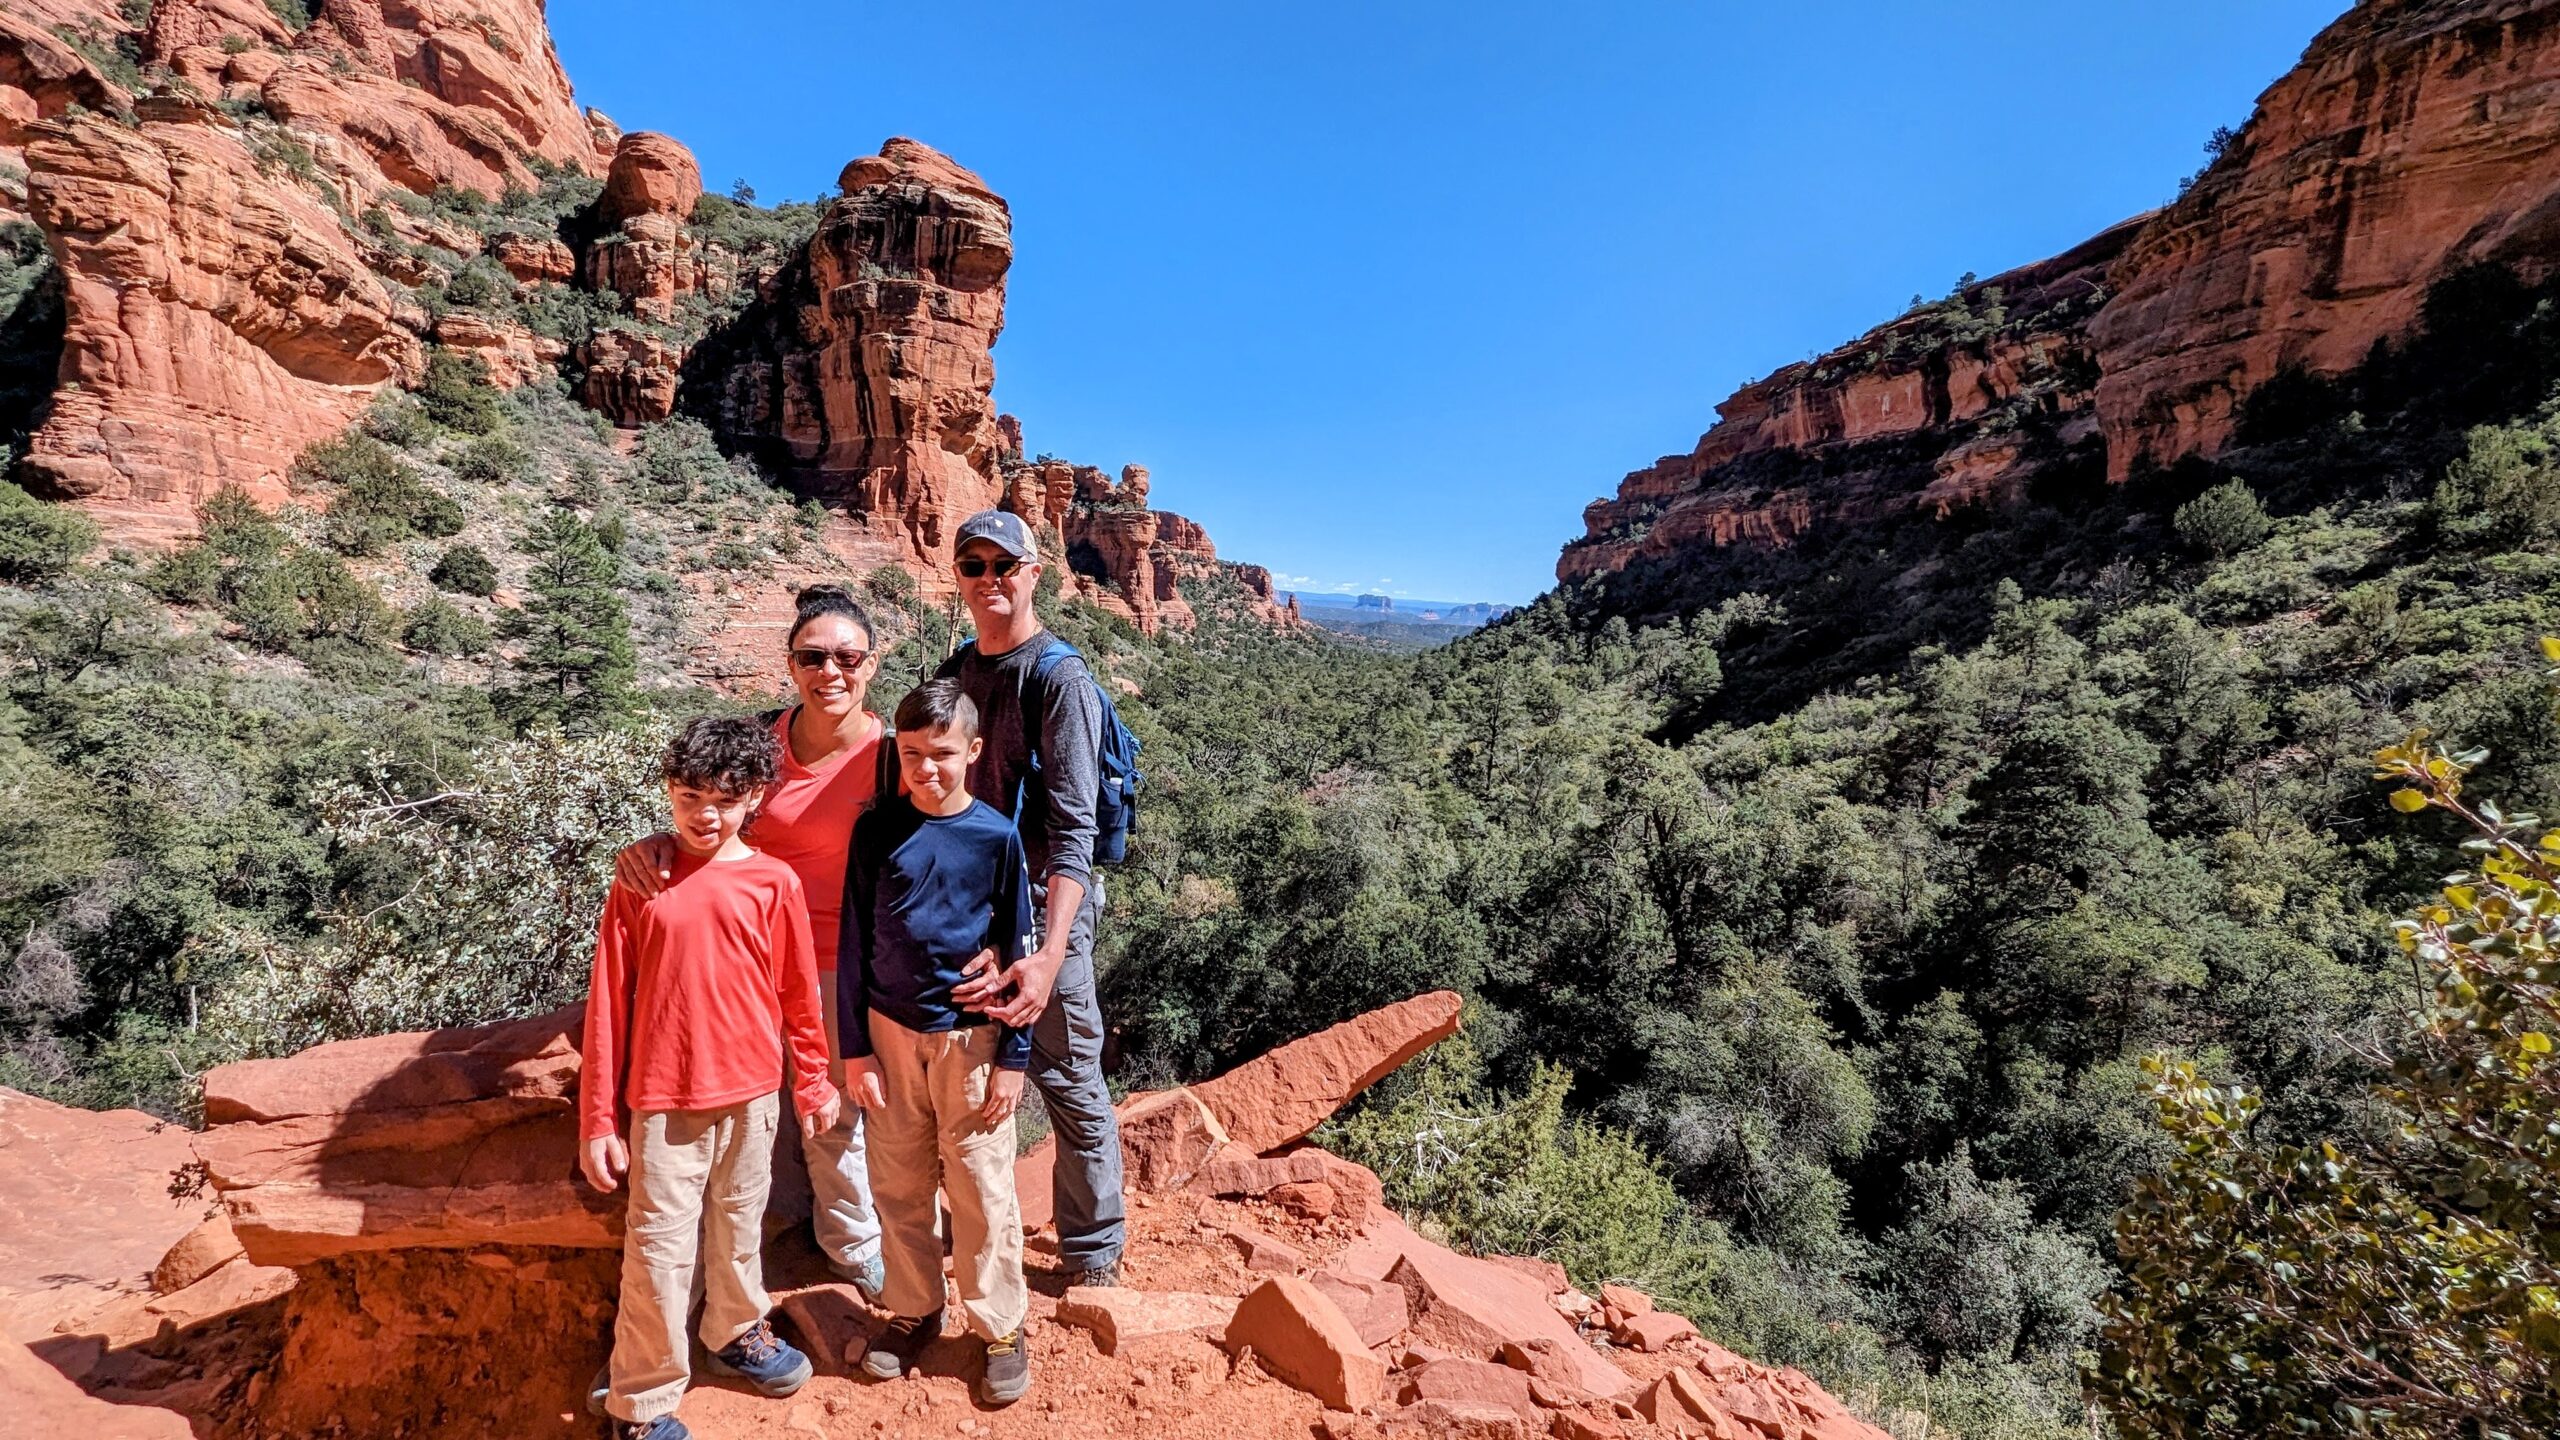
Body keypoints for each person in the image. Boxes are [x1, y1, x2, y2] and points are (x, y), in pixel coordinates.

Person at [612, 586, 892, 1295]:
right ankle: (715, 1271)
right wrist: (651, 844)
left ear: (872, 664)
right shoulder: (759, 741)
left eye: (847, 657)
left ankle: (851, 1246)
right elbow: (702, 812)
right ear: (791, 664)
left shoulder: (890, 758)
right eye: (813, 657)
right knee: (724, 1110)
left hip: (834, 959)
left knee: (828, 1112)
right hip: (736, 957)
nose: (831, 671)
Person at [579, 717, 836, 1440]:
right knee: (659, 1250)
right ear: (669, 791)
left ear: (754, 797)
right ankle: (641, 1400)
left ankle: (732, 1330)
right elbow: (609, 1003)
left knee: (738, 1230)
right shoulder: (642, 879)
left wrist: (811, 1081)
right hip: (665, 1103)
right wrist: (599, 1119)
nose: (704, 814)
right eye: (689, 796)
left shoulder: (772, 881)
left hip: (754, 1095)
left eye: (723, 799)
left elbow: (796, 993)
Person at [935, 509, 1126, 1285]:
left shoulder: (1059, 679)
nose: (988, 581)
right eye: (973, 567)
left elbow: (1074, 834)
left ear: (1034, 572)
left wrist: (1048, 955)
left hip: (1046, 914)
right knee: (966, 1078)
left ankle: (1092, 1254)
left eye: (1002, 566)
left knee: (1069, 1079)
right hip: (972, 907)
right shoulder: (958, 670)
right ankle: (974, 1237)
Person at [843, 681, 1036, 1405]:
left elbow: (1017, 949)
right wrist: (854, 1048)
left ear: (974, 752)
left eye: (943, 754)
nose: (927, 769)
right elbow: (855, 940)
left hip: (972, 1045)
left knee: (982, 1188)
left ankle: (1001, 1327)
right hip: (891, 1036)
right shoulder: (877, 830)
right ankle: (916, 1307)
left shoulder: (996, 836)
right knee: (897, 1183)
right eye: (913, 754)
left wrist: (1014, 1059)